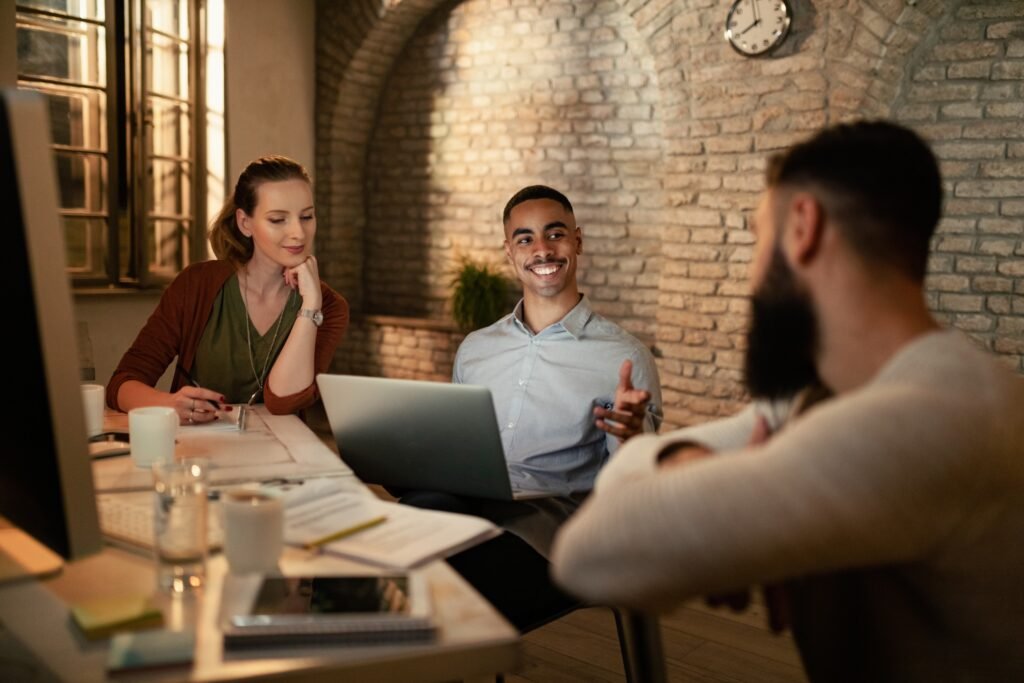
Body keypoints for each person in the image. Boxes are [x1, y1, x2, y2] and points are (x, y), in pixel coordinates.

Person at [552, 121, 1024, 681]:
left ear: (803, 227)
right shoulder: (833, 397)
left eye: (757, 238)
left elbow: (587, 555)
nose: (753, 276)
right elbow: (625, 494)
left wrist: (692, 478)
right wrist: (700, 471)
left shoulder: (926, 419)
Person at [401, 185, 662, 631]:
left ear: (577, 241)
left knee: (430, 591)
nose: (541, 249)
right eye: (525, 238)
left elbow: (643, 489)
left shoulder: (624, 357)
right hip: (472, 508)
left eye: (554, 234)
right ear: (509, 251)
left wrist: (631, 437)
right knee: (381, 548)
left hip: (555, 539)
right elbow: (461, 450)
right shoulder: (476, 349)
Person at [107, 155, 348, 423]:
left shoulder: (328, 306)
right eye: (278, 219)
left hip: (284, 457)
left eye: (306, 216)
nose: (299, 233)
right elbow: (122, 385)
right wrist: (169, 403)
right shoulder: (195, 285)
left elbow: (284, 401)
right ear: (245, 223)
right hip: (197, 454)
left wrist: (310, 306)